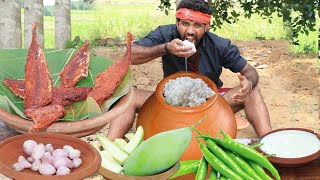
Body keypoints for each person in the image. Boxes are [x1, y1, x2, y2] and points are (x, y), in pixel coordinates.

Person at [107, 0, 272, 140]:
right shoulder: (164, 35)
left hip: (211, 103)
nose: (190, 31)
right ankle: (110, 149)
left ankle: (271, 143)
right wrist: (165, 48)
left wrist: (248, 83)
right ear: (177, 22)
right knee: (129, 96)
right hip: (169, 101)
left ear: (207, 26)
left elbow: (250, 71)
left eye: (197, 25)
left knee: (253, 91)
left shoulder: (220, 45)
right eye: (185, 23)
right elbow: (130, 56)